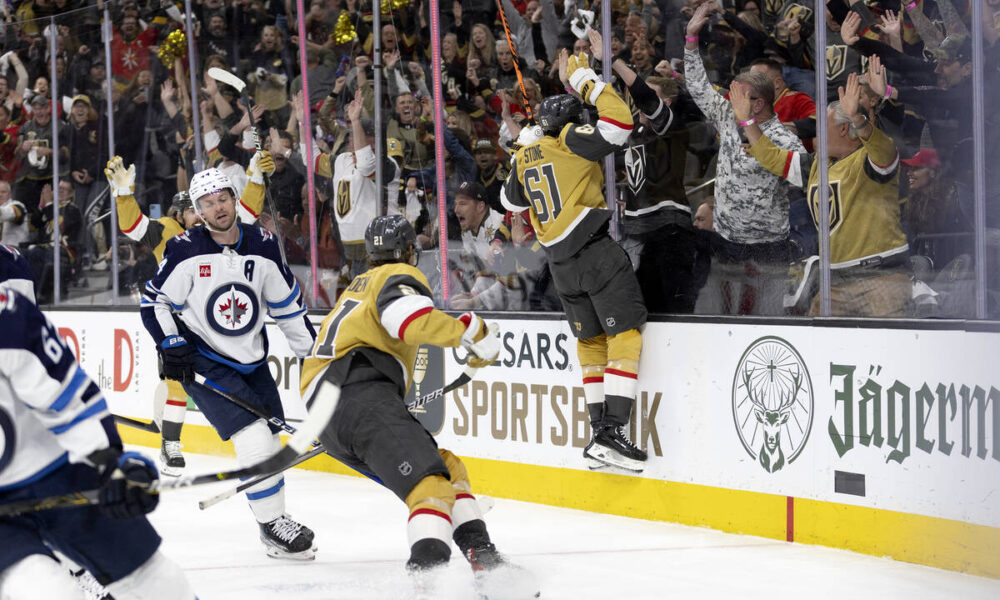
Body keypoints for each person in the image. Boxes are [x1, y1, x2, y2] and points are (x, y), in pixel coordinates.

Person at [299, 215, 534, 595]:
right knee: (430, 486)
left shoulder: (358, 286)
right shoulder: (398, 276)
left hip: (337, 405)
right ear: (411, 251)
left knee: (446, 468)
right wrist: (469, 332)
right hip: (356, 393)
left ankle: (485, 559)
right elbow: (407, 320)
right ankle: (426, 584)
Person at [138, 167, 319, 559]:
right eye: (207, 203)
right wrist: (170, 343)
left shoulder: (265, 244)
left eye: (222, 198)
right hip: (203, 360)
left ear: (236, 200)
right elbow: (155, 301)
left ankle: (273, 525)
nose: (217, 207)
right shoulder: (185, 248)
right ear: (198, 211)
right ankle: (273, 524)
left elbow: (287, 307)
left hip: (252, 360)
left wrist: (317, 357)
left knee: (270, 441)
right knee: (254, 437)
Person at [0, 285, 197, 600]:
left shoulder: (6, 314)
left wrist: (109, 465)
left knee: (159, 584)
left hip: (59, 471)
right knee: (44, 590)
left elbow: (68, 399)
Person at [501, 51, 648, 472]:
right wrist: (582, 76)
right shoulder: (569, 139)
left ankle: (599, 434)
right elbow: (619, 123)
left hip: (561, 267)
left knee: (591, 344)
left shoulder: (527, 152)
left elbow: (509, 201)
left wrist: (521, 149)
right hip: (594, 254)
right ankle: (612, 431)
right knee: (626, 337)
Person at [107, 152, 269, 475]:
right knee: (178, 381)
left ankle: (258, 441)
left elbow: (247, 215)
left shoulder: (218, 231)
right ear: (181, 215)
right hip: (180, 320)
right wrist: (124, 195)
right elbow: (134, 226)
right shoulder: (170, 233)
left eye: (201, 208)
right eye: (192, 210)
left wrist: (256, 179)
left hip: (219, 321)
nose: (197, 215)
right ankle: (171, 443)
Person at [734, 66, 910, 317]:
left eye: (822, 129)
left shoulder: (870, 159)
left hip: (881, 276)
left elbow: (884, 149)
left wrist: (859, 119)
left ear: (842, 130)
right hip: (837, 280)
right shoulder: (819, 163)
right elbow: (773, 158)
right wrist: (749, 122)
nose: (817, 136)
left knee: (886, 350)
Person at [685, 3, 806, 316]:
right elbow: (698, 87)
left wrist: (748, 128)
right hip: (726, 247)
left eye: (737, 96)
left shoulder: (784, 139)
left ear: (758, 104)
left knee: (765, 326)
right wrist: (690, 39)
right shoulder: (727, 116)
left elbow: (803, 176)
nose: (729, 100)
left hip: (768, 254)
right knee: (723, 322)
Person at [312, 90, 401, 281]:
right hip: (357, 248)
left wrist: (356, 121)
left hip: (385, 245)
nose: (353, 142)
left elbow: (366, 164)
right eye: (352, 139)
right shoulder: (344, 161)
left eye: (358, 138)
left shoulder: (386, 165)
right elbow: (313, 161)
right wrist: (301, 123)